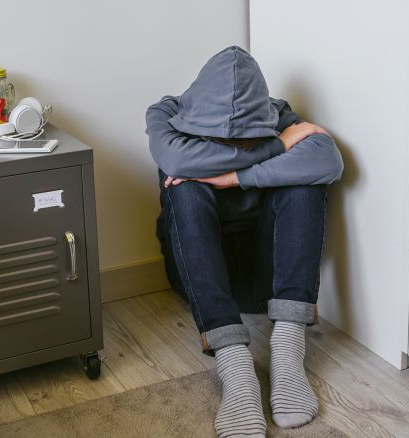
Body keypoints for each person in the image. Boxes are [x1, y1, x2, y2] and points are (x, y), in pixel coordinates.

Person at [145, 46, 343, 437]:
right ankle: (236, 370)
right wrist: (279, 145)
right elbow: (178, 162)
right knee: (182, 189)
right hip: (203, 280)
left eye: (245, 144)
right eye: (221, 144)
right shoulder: (166, 113)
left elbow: (328, 160)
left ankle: (287, 354)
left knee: (306, 182)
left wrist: (232, 177)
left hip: (266, 280)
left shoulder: (275, 111)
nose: (235, 152)